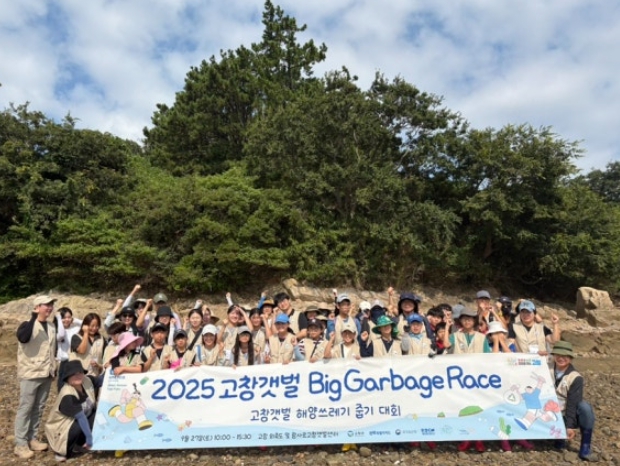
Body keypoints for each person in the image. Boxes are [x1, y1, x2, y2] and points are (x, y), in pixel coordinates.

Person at [14, 295, 58, 459]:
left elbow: (52, 349)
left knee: (39, 408)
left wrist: (54, 368)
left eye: (51, 305)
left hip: (46, 372)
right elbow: (23, 338)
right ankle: (20, 443)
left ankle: (32, 438)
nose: (50, 308)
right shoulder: (26, 325)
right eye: (46, 305)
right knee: (26, 408)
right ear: (37, 307)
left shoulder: (51, 326)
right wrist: (33, 317)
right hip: (31, 373)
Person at [552, 341, 597, 461]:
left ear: (570, 358)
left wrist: (569, 426)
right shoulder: (546, 369)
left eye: (565, 356)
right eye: (558, 355)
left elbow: (572, 404)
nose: (561, 358)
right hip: (548, 412)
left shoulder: (576, 378)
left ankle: (585, 447)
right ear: (553, 355)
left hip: (564, 413)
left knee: (585, 408)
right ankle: (558, 437)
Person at [44, 360, 96, 462]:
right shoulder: (67, 395)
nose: (77, 376)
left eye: (80, 372)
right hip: (60, 430)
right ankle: (63, 452)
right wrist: (90, 438)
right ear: (67, 377)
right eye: (73, 374)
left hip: (78, 422)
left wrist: (118, 370)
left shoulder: (86, 380)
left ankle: (80, 444)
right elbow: (81, 418)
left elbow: (102, 380)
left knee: (97, 416)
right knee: (78, 425)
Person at [70, 313, 105, 387]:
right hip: (80, 377)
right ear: (85, 325)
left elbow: (104, 358)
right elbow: (82, 351)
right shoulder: (76, 337)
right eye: (92, 326)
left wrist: (99, 365)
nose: (94, 328)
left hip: (95, 376)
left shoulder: (101, 339)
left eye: (97, 326)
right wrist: (85, 333)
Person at [54, 307, 83, 391]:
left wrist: (75, 320)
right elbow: (61, 335)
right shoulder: (56, 331)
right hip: (64, 362)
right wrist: (59, 319)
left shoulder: (75, 328)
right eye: (64, 317)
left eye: (69, 317)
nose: (67, 320)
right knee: (62, 386)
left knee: (76, 386)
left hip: (75, 359)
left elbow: (86, 325)